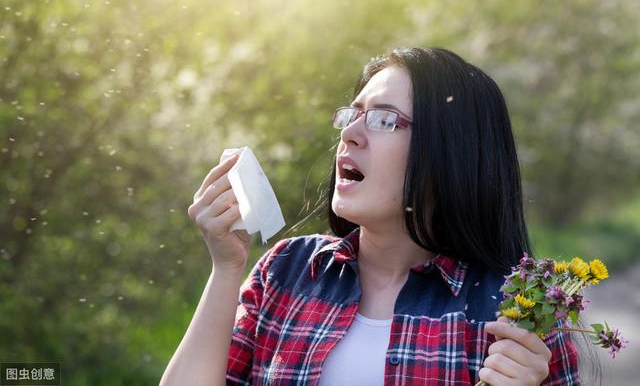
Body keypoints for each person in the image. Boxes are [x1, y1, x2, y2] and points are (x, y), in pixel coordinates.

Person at [160, 47, 580, 386]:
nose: (349, 133)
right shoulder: (286, 273)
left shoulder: (517, 310)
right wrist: (226, 267)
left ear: (452, 152)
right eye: (351, 114)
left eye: (383, 119)